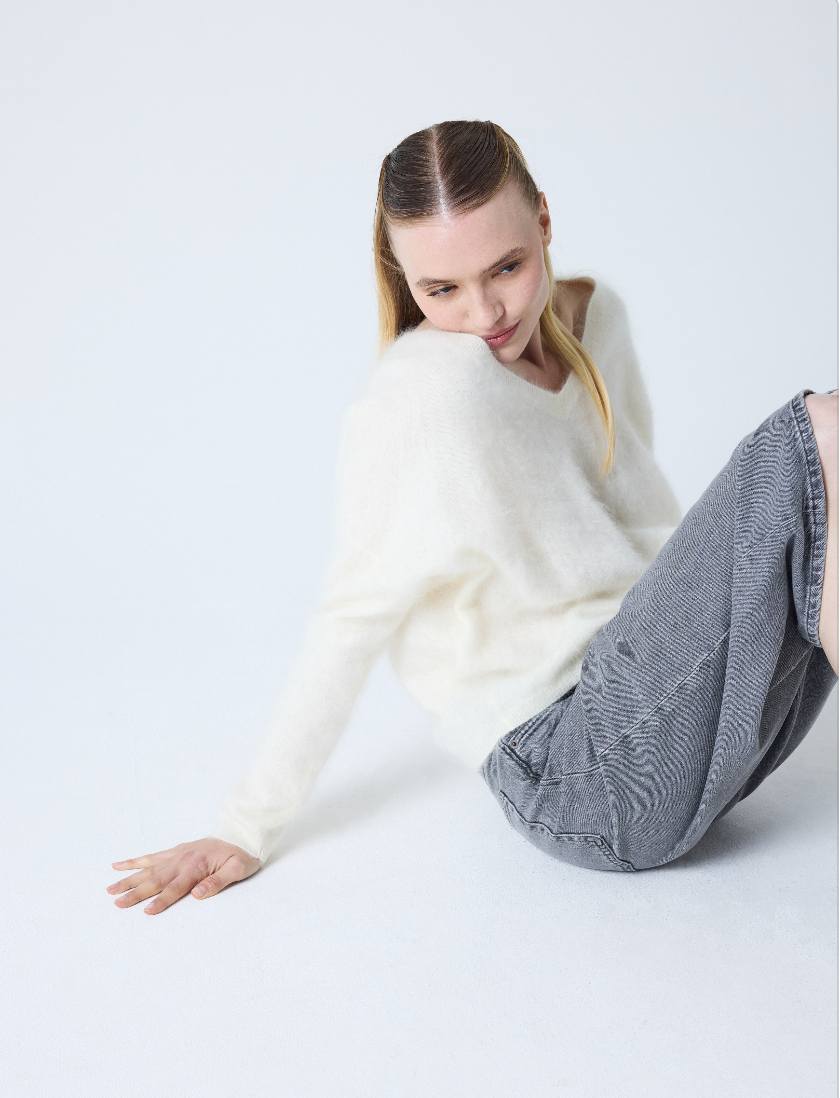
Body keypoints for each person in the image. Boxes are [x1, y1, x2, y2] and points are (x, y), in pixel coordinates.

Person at [107, 120, 838, 912]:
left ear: (545, 224)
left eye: (509, 266)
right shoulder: (421, 397)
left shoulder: (599, 320)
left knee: (822, 476)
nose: (486, 311)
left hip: (676, 719)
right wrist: (245, 826)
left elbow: (644, 518)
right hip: (577, 769)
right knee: (820, 428)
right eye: (441, 289)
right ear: (405, 280)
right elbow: (353, 614)